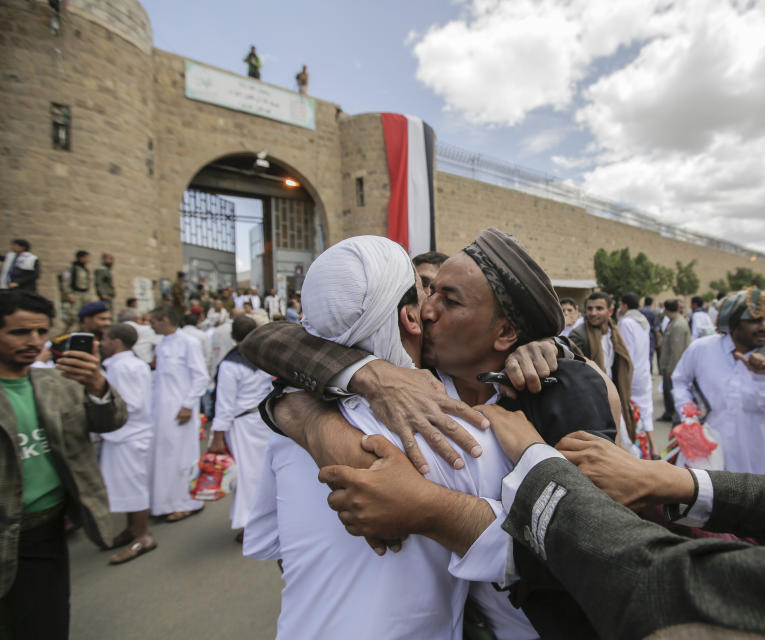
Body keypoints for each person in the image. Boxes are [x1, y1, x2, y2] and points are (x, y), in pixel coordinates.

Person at [325, 122, 765, 638]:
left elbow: (657, 579)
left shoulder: (554, 389)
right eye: (424, 292)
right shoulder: (403, 379)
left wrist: (530, 470)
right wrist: (673, 478)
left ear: (504, 335)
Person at [241, 229, 618, 638]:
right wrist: (358, 381)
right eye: (427, 292)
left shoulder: (294, 417)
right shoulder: (462, 429)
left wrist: (302, 414)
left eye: (448, 299)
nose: (429, 310)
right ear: (407, 317)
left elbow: (594, 543)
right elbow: (544, 545)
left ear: (506, 333)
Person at [0, 289, 127, 639]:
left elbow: (109, 422)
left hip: (45, 534)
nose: (34, 341)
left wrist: (97, 384)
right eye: (19, 332)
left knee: (46, 623)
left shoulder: (55, 383)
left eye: (41, 332)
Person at [672, 288, 765, 474]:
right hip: (702, 453)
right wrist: (688, 415)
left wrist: (761, 378)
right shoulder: (702, 348)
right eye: (755, 320)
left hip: (752, 461)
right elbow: (679, 380)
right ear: (735, 321)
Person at [207, 315, 272, 540]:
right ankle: (270, 517)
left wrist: (217, 437)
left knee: (246, 476)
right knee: (265, 472)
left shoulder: (230, 364)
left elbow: (224, 404)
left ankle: (252, 524)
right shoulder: (263, 356)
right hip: (263, 420)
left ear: (232, 335)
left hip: (243, 425)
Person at [99, 323, 156, 564]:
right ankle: (132, 528)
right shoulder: (132, 363)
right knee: (126, 485)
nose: (101, 343)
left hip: (128, 434)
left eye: (104, 338)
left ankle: (142, 536)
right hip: (128, 434)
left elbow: (132, 403)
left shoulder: (122, 367)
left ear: (117, 342)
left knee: (133, 486)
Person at [148, 304, 209, 522]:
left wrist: (188, 404)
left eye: (153, 321)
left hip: (181, 409)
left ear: (164, 319)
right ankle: (164, 502)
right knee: (164, 459)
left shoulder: (188, 343)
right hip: (161, 410)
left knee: (183, 458)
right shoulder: (161, 345)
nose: (151, 326)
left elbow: (201, 376)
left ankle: (187, 502)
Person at [568, 291, 634, 440]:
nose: (593, 313)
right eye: (590, 309)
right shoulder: (578, 336)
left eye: (599, 308)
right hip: (594, 402)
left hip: (615, 397)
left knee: (624, 442)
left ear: (610, 311)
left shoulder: (614, 333)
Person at [615, 292, 656, 457]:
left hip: (633, 374)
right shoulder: (643, 321)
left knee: (631, 412)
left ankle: (636, 450)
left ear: (624, 306)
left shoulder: (626, 322)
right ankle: (653, 447)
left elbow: (626, 352)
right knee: (646, 410)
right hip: (645, 371)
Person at [658, 299, 689, 424]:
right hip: (669, 365)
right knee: (667, 391)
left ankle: (673, 415)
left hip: (673, 367)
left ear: (666, 310)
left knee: (672, 392)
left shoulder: (678, 325)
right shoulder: (674, 322)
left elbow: (676, 350)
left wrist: (671, 370)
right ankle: (669, 413)